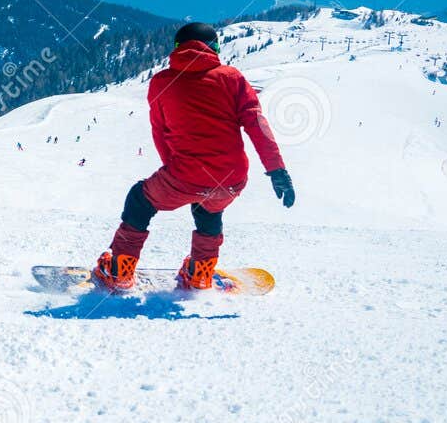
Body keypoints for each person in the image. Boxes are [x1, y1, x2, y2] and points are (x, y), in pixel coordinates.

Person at [93, 21, 296, 293]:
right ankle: (200, 274)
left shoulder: (162, 81)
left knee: (140, 200)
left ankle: (120, 271)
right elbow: (257, 125)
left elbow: (161, 132)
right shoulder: (232, 77)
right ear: (214, 48)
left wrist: (174, 169)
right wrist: (277, 170)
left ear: (178, 48)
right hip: (232, 179)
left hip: (185, 175)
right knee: (209, 208)